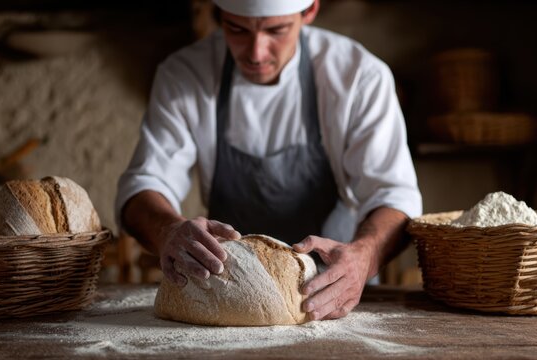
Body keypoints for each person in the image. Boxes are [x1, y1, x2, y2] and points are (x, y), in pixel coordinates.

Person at [116, 0, 422, 321]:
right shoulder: (185, 75)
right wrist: (168, 231)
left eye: (276, 30)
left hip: (329, 296)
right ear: (218, 15)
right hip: (226, 292)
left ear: (310, 11)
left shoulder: (358, 76)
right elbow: (145, 184)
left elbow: (394, 195)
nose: (256, 53)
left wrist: (364, 256)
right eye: (237, 29)